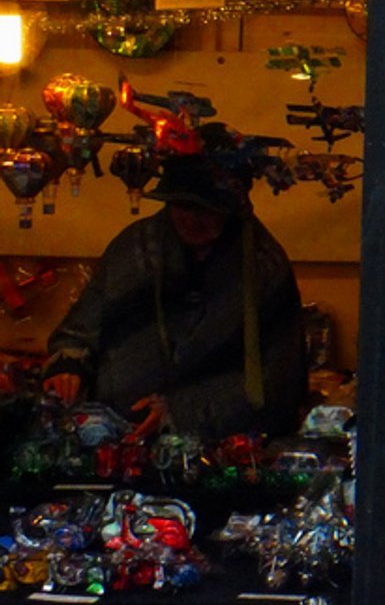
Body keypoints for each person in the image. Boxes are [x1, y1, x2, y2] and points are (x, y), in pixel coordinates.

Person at [44, 154, 306, 439]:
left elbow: (281, 379)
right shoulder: (136, 249)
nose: (192, 220)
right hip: (116, 433)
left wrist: (181, 412)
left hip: (221, 444)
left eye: (205, 209)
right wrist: (68, 366)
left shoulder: (263, 267)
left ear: (232, 210)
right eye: (183, 206)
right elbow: (80, 332)